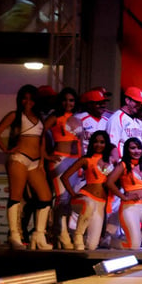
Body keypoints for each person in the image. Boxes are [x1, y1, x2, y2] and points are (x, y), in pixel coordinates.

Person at [0, 84, 54, 249]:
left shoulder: (40, 117)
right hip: (18, 158)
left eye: (31, 98)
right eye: (24, 98)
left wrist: (42, 161)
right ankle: (14, 235)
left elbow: (41, 141)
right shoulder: (15, 115)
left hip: (35, 162)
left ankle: (38, 235)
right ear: (20, 100)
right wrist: (6, 149)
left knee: (46, 197)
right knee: (16, 196)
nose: (28, 101)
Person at [61, 130, 116, 251]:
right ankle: (78, 235)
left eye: (102, 142)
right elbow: (64, 177)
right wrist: (73, 194)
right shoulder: (86, 159)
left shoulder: (110, 160)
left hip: (101, 202)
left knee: (91, 246)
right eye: (95, 142)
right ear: (91, 143)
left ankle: (79, 238)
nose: (99, 145)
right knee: (89, 204)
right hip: (86, 197)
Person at [44, 86, 84, 249]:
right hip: (60, 159)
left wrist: (81, 164)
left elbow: (80, 143)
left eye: (72, 100)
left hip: (75, 161)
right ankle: (59, 233)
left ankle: (63, 232)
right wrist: (46, 155)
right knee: (61, 198)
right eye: (66, 100)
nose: (69, 103)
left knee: (69, 199)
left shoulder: (77, 119)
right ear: (61, 101)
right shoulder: (55, 117)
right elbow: (40, 133)